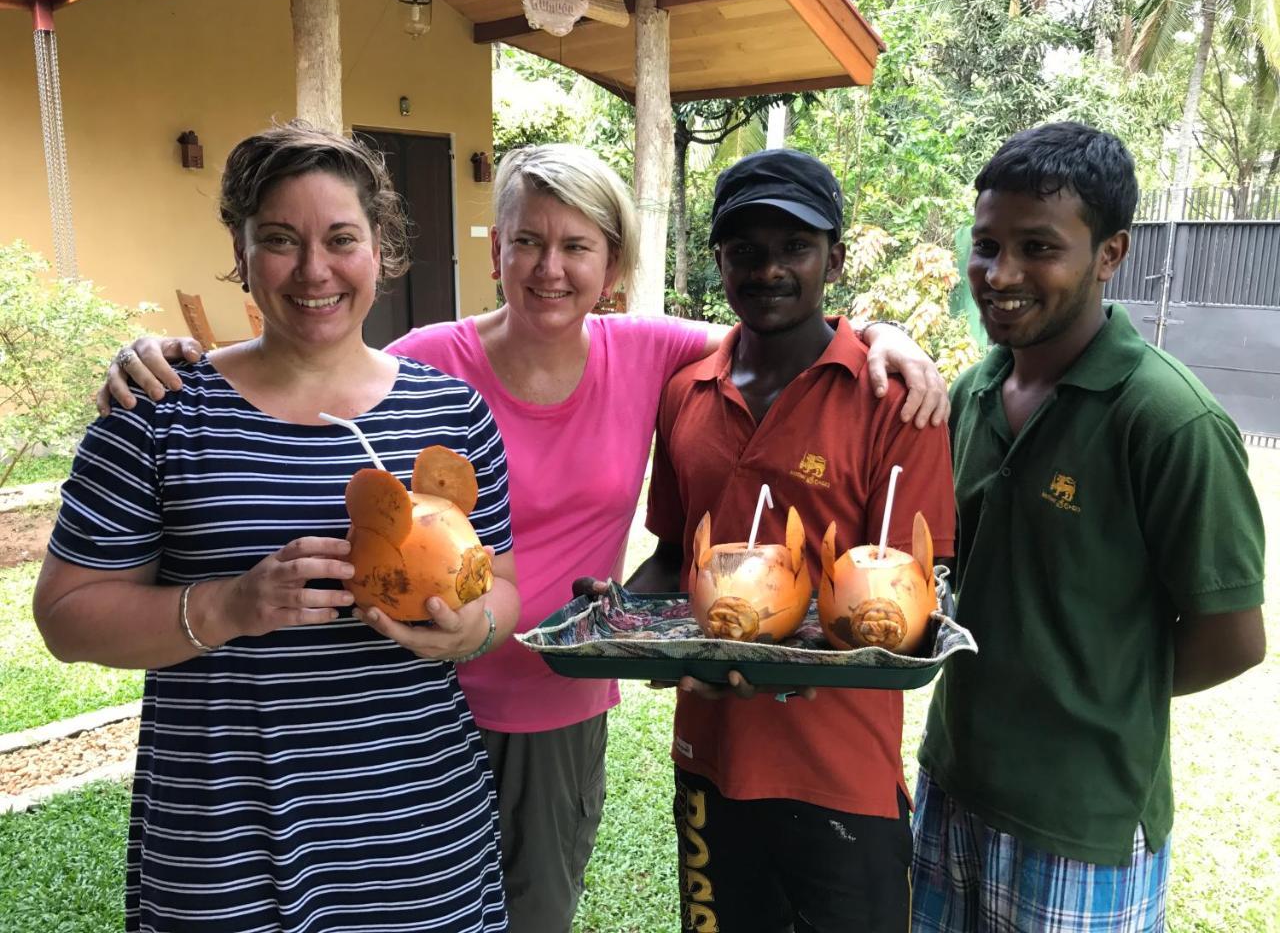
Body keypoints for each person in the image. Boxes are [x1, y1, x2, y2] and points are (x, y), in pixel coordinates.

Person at [99, 142, 951, 932]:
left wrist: (885, 336)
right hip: (402, 699)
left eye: (578, 246)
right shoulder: (428, 361)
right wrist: (172, 357)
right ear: (495, 249)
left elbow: (780, 328)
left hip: (550, 701)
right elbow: (314, 362)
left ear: (611, 265)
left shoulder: (654, 353)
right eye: (527, 242)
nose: (551, 268)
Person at [35, 122, 521, 931]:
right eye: (280, 240)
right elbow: (65, 613)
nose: (314, 270)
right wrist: (231, 606)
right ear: (242, 249)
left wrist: (469, 630)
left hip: (416, 841)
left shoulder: (450, 414)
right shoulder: (158, 412)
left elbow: (501, 583)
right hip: (223, 847)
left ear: (380, 249)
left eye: (341, 239)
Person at [912, 122, 1268, 932]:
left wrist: (1091, 694)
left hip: (1085, 827)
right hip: (955, 785)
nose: (1000, 275)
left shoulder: (1169, 420)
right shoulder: (971, 392)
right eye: (987, 244)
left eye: (1039, 247)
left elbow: (1234, 639)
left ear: (1111, 253)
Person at [624, 148, 957, 933]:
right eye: (745, 251)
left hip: (839, 771)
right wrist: (621, 616)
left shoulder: (893, 399)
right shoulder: (686, 392)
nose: (768, 270)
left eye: (794, 248)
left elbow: (915, 588)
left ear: (834, 260)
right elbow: (676, 557)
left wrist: (797, 665)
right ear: (718, 262)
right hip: (710, 758)